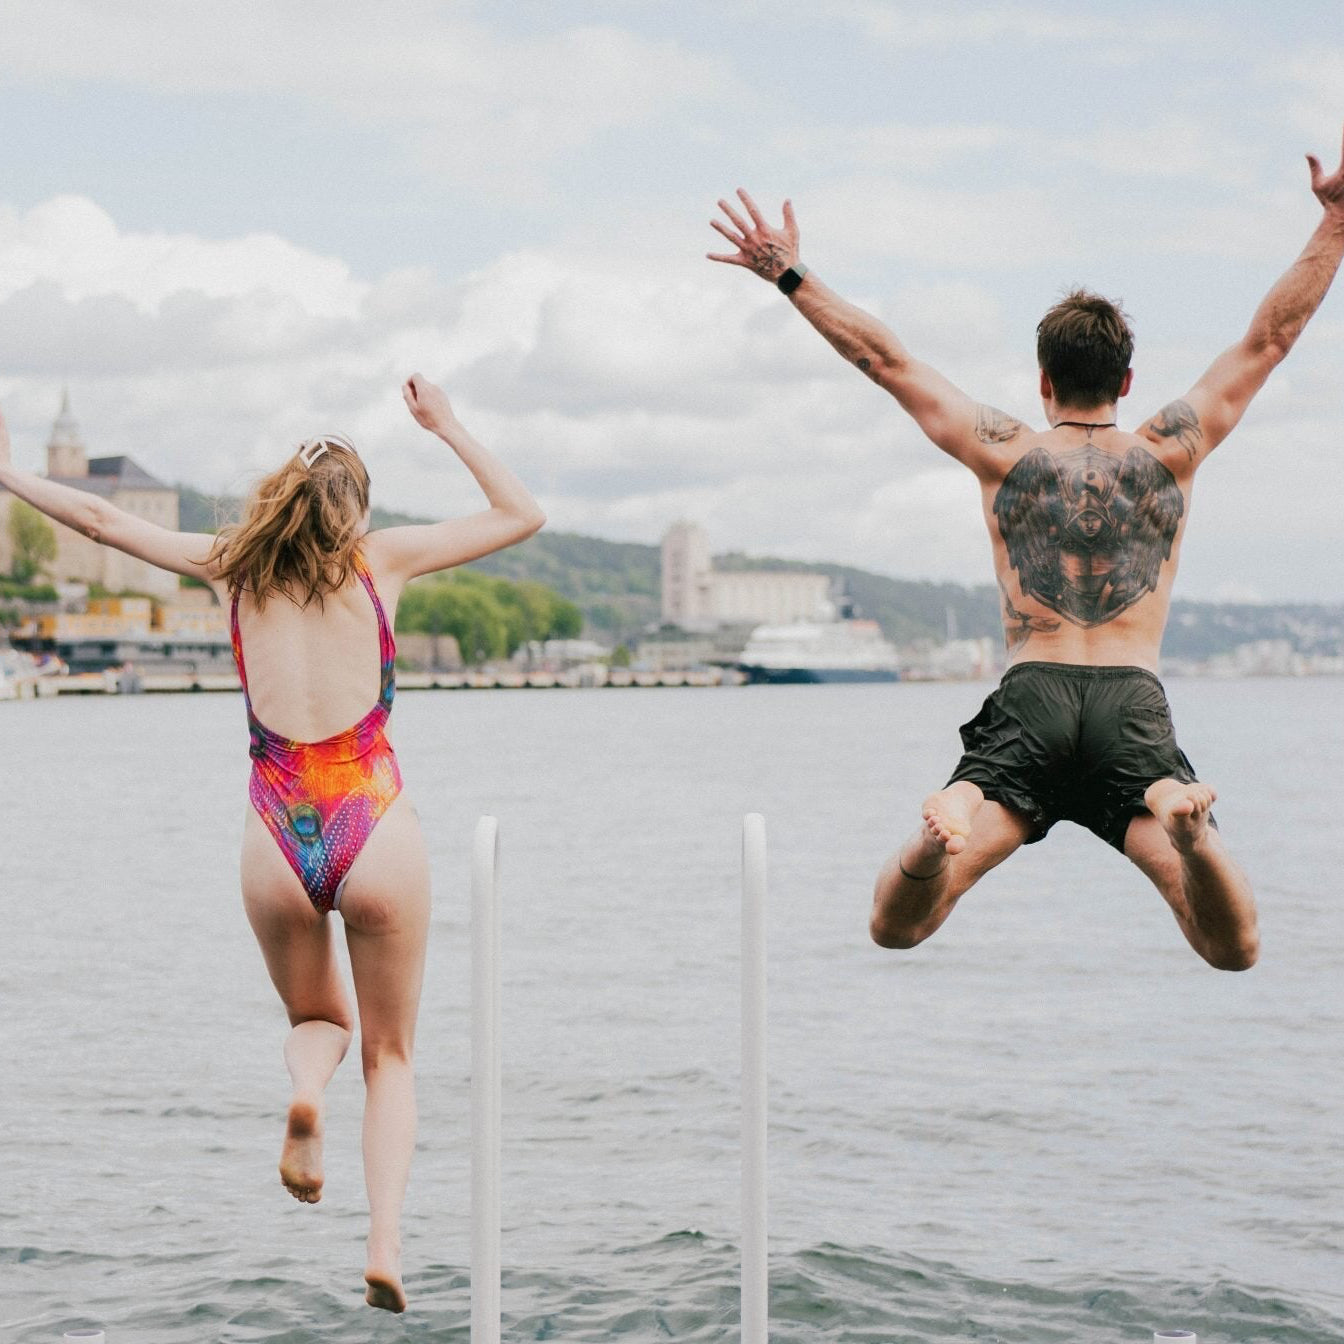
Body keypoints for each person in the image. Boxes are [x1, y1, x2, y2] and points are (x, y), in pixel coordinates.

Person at [709, 125, 1344, 971]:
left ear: (1043, 381)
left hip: (1031, 697)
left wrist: (789, 273)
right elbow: (1270, 340)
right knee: (1233, 947)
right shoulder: (1171, 449)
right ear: (1126, 381)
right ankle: (1190, 834)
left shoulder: (1004, 449)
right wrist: (1336, 222)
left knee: (897, 926)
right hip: (1131, 705)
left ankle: (940, 833)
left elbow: (885, 361)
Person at [0, 375, 544, 1312]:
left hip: (275, 835)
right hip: (373, 822)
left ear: (283, 499)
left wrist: (7, 474)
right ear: (356, 508)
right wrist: (448, 424)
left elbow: (98, 519)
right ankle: (384, 1243)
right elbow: (521, 514)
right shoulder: (384, 559)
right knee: (391, 1056)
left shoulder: (232, 565)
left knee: (317, 1023)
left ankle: (306, 1096)